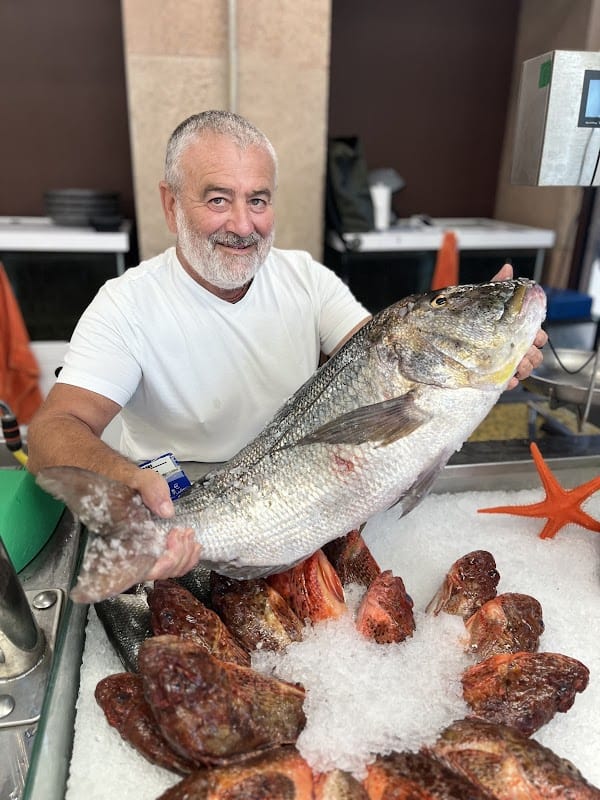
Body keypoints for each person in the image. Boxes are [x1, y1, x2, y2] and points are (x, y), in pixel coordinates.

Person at [26, 110, 547, 581]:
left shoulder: (306, 279)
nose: (242, 225)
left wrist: (494, 352)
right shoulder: (125, 304)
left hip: (305, 501)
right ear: (170, 202)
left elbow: (379, 359)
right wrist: (127, 486)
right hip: (175, 503)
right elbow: (54, 430)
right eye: (217, 199)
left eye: (258, 200)